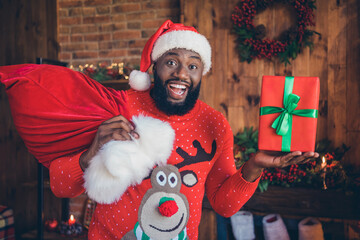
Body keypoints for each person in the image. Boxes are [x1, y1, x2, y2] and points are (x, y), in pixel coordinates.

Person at [48, 20, 319, 240]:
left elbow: (223, 205)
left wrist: (254, 167)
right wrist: (93, 151)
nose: (181, 74)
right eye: (171, 62)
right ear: (155, 66)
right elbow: (60, 186)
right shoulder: (118, 106)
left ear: (202, 73)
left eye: (192, 66)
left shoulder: (214, 123)